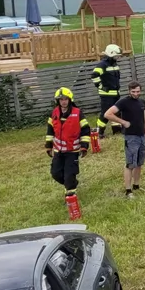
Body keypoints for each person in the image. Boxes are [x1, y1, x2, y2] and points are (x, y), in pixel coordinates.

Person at [45, 87, 90, 220]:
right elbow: (50, 130)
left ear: (70, 100)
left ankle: (70, 195)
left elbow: (86, 131)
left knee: (69, 174)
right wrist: (48, 146)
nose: (63, 102)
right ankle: (71, 183)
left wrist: (84, 146)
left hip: (73, 151)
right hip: (59, 151)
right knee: (56, 173)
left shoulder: (78, 113)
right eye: (61, 100)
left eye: (65, 99)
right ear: (57, 101)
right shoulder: (54, 113)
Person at [103, 81, 145, 198]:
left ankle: (136, 185)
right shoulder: (123, 102)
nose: (136, 94)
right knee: (130, 164)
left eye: (138, 91)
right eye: (133, 91)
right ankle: (128, 191)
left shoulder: (142, 102)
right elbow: (108, 114)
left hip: (142, 136)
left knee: (139, 163)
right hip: (131, 137)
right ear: (129, 91)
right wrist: (123, 122)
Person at [90, 44, 123, 149]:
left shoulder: (114, 65)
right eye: (116, 56)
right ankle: (100, 132)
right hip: (106, 95)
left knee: (117, 112)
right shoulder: (102, 65)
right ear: (111, 55)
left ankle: (117, 130)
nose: (118, 57)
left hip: (115, 93)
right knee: (105, 114)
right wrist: (100, 86)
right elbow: (94, 75)